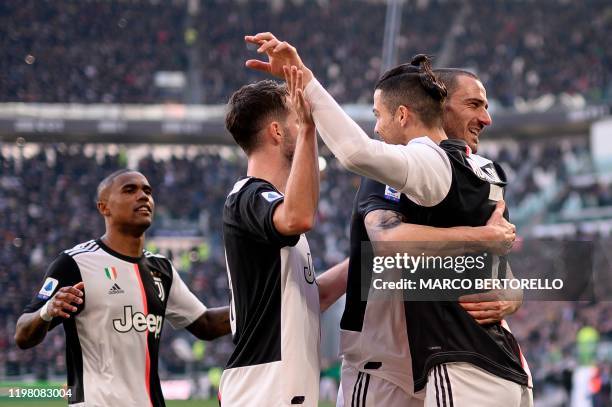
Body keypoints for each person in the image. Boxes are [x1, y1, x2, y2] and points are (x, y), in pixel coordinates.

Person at [245, 33, 532, 406]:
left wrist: (512, 293)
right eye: (474, 104)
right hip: (385, 364)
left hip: (445, 357)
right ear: (438, 105)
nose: (486, 118)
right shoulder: (398, 169)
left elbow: (495, 263)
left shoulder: (479, 173)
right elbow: (383, 243)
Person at [15, 169, 231, 407]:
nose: (143, 196)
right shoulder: (74, 263)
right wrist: (47, 310)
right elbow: (23, 335)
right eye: (130, 190)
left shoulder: (162, 269)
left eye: (147, 191)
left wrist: (263, 306)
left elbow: (206, 325)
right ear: (104, 207)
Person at [220, 73, 348, 406]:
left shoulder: (272, 206)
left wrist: (373, 254)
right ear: (277, 131)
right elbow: (301, 216)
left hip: (279, 384)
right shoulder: (247, 195)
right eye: (295, 119)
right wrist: (309, 129)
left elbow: (312, 299)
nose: (305, 123)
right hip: (262, 386)